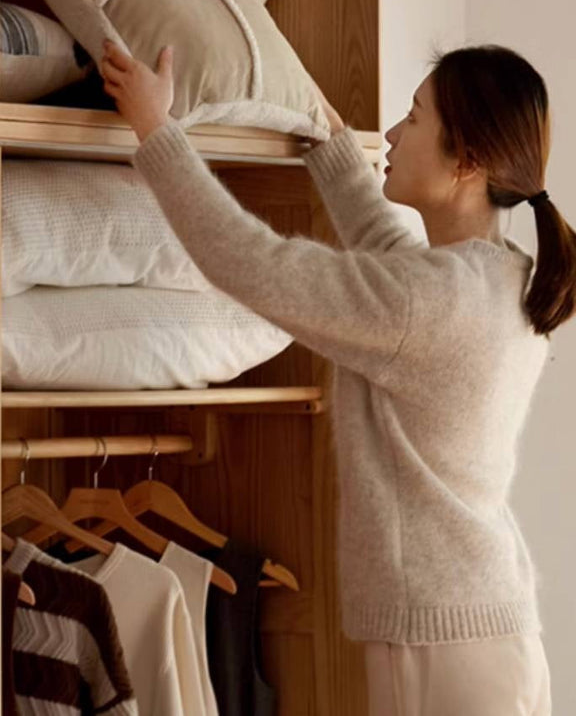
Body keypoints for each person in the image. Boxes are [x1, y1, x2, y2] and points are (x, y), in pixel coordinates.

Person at [99, 39, 572, 716]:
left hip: (440, 649)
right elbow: (389, 262)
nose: (393, 133)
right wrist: (327, 146)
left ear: (467, 161)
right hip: (486, 631)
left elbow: (250, 261)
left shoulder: (427, 300)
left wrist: (157, 130)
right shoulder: (503, 275)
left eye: (414, 117)